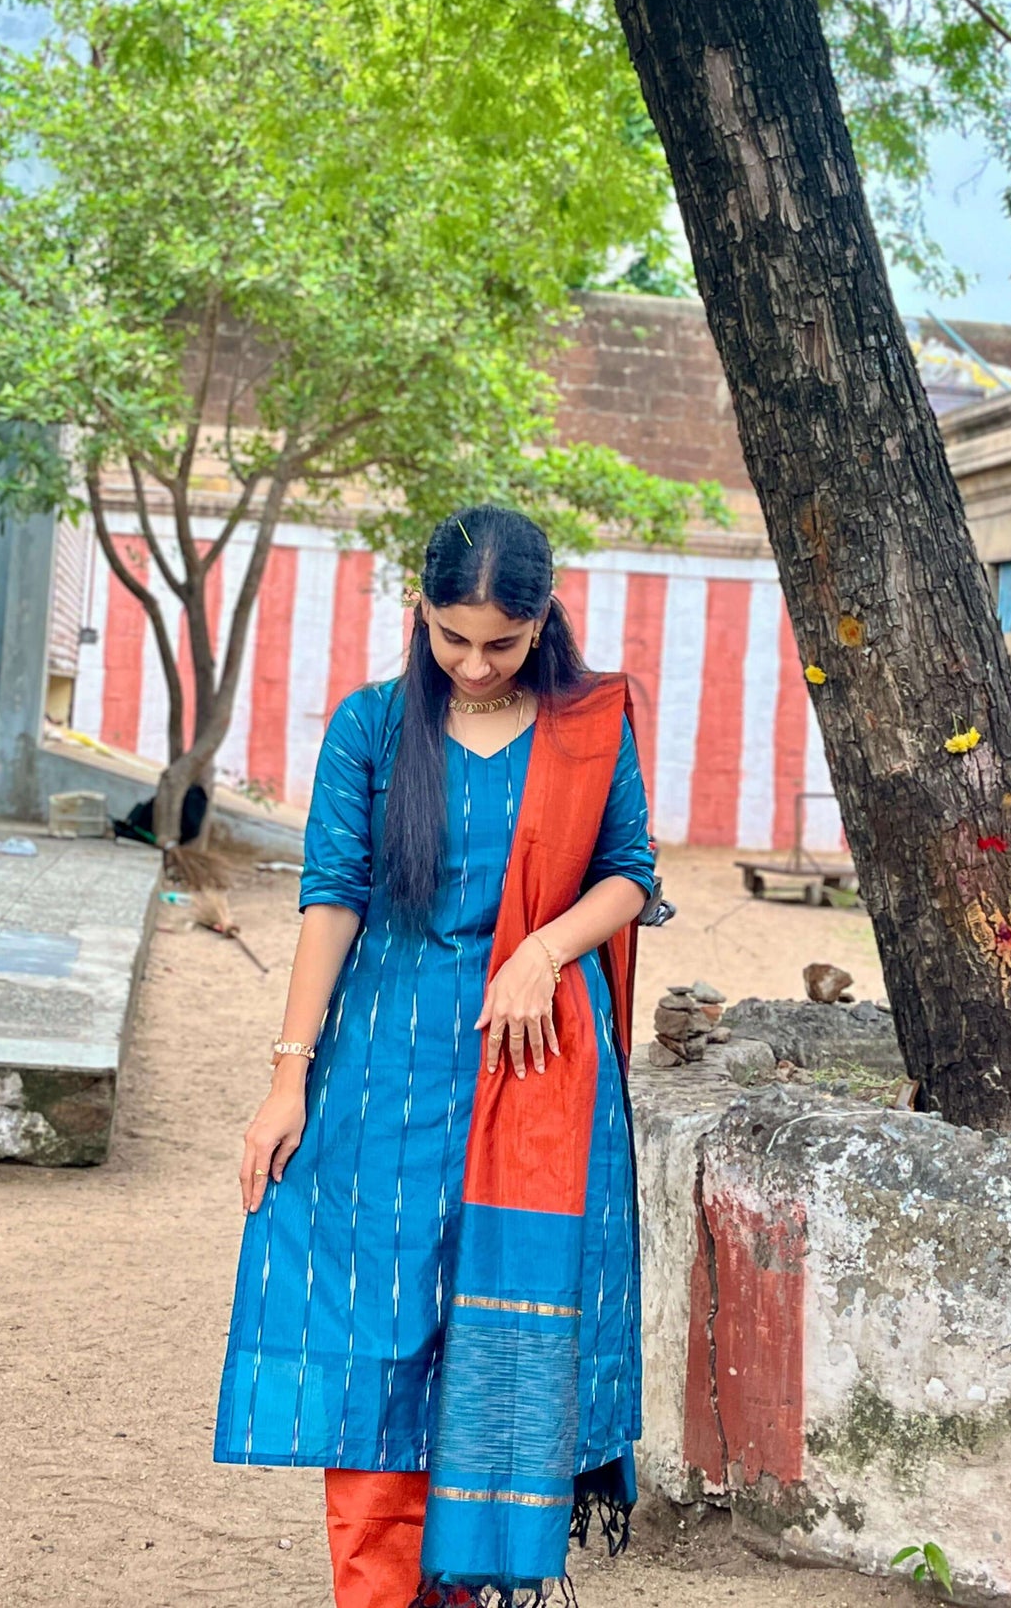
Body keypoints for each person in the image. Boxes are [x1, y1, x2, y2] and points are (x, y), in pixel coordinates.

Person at [213, 504, 654, 1606]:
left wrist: (543, 950)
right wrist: (285, 1077)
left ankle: (465, 1590)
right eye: (450, 635)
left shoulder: (587, 728)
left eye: (499, 642)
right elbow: (331, 900)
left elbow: (631, 872)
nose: (471, 661)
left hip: (537, 1072)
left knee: (499, 1342)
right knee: (376, 1328)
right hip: (382, 1071)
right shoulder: (369, 728)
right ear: (420, 612)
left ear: (541, 618)